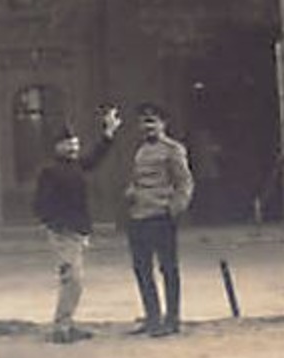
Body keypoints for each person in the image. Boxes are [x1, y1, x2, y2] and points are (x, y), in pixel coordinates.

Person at [33, 108, 122, 343]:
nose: (73, 148)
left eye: (75, 144)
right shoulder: (49, 171)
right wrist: (56, 225)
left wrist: (108, 133)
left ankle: (66, 324)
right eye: (67, 144)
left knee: (74, 280)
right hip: (64, 232)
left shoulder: (76, 166)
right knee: (72, 279)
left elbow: (94, 158)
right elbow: (40, 204)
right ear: (56, 147)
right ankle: (62, 328)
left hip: (76, 231)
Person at [123, 102, 195, 337]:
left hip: (161, 216)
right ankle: (152, 317)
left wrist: (174, 209)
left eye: (153, 121)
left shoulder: (173, 149)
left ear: (164, 124)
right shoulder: (140, 150)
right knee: (142, 269)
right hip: (138, 216)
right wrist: (131, 191)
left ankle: (172, 320)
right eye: (144, 122)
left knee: (168, 269)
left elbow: (185, 183)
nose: (148, 126)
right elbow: (137, 179)